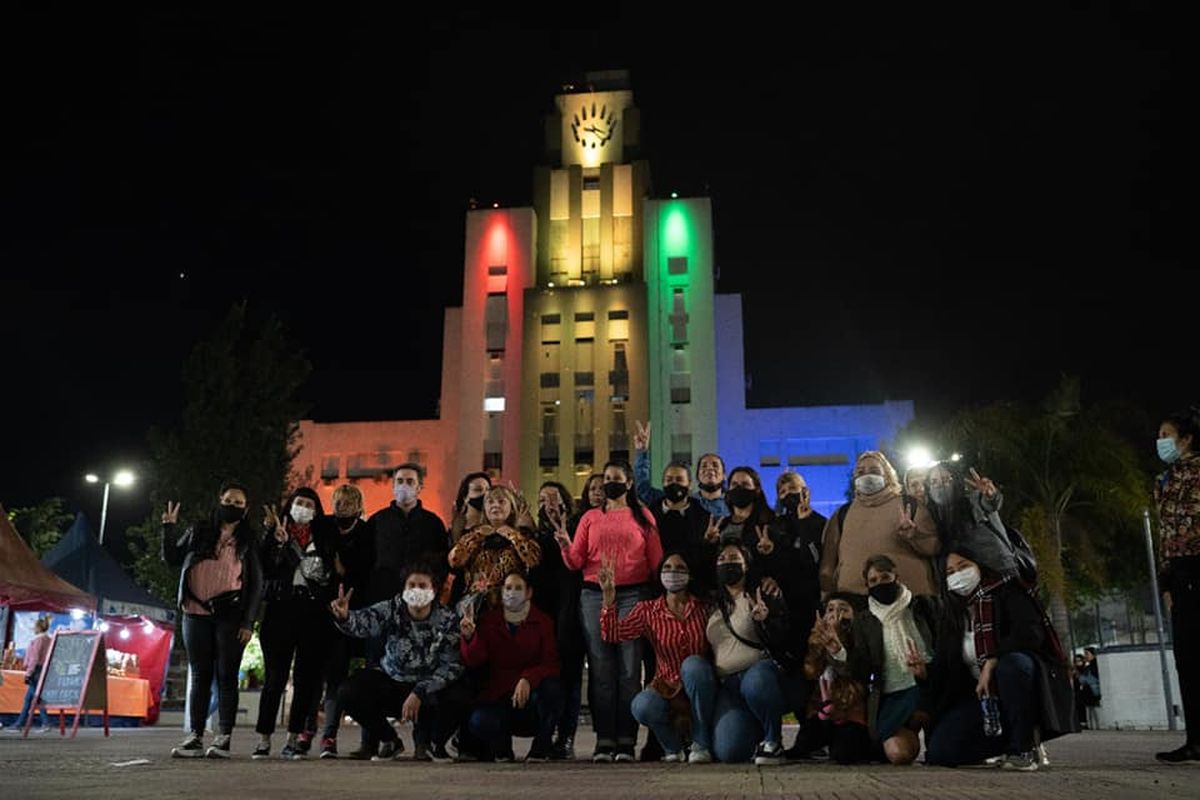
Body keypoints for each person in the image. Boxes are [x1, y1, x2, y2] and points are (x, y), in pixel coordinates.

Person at [925, 534, 1073, 771]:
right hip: (984, 700)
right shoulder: (952, 615)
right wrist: (922, 670)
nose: (958, 575)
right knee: (940, 752)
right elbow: (947, 668)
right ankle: (1004, 740)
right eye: (950, 572)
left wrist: (992, 660)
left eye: (963, 567)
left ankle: (1023, 748)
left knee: (1012, 665)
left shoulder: (1007, 591)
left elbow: (1030, 634)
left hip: (1021, 688)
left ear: (979, 565)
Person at [555, 459, 664, 762]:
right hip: (594, 595)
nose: (609, 484)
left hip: (634, 594)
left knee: (630, 670)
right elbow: (576, 561)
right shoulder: (590, 517)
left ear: (629, 483)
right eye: (606, 479)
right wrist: (565, 543)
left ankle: (627, 740)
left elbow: (657, 562)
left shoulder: (643, 516)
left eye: (617, 478)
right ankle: (605, 739)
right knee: (601, 668)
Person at [162, 482, 264, 758]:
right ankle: (194, 736)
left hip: (230, 616)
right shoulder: (198, 531)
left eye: (238, 503)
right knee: (200, 674)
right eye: (228, 500)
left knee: (227, 676)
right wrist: (169, 529)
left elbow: (256, 585)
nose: (232, 505)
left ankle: (223, 737)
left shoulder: (249, 540)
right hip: (195, 612)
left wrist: (248, 621)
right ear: (219, 500)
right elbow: (172, 558)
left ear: (246, 509)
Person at [329, 560, 467, 761]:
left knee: (460, 696)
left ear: (434, 590)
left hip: (428, 690)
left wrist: (421, 690)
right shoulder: (392, 608)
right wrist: (344, 617)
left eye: (423, 586)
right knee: (348, 692)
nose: (416, 590)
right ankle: (389, 740)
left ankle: (433, 744)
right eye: (411, 585)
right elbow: (363, 623)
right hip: (392, 682)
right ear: (403, 589)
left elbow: (452, 665)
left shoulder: (447, 619)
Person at [682, 543, 789, 765]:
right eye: (721, 558)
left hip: (758, 673)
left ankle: (773, 741)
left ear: (746, 565)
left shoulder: (762, 593)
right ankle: (701, 741)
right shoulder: (711, 601)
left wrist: (766, 620)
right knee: (730, 753)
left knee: (756, 683)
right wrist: (706, 542)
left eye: (734, 558)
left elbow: (782, 636)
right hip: (728, 685)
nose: (727, 562)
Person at [600, 551, 710, 762]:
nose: (673, 573)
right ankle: (673, 748)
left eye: (680, 568)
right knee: (642, 705)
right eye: (667, 568)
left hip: (702, 686)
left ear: (690, 575)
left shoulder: (704, 607)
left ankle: (701, 743)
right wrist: (608, 599)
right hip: (667, 687)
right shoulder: (648, 610)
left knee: (694, 666)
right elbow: (613, 634)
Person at [252, 487, 332, 761]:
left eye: (310, 504)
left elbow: (324, 574)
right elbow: (262, 565)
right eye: (299, 502)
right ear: (290, 505)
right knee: (274, 678)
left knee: (305, 680)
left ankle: (293, 738)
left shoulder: (321, 537)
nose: (304, 507)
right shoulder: (276, 534)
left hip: (312, 613)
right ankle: (263, 739)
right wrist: (272, 539)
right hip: (279, 610)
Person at [458, 571, 562, 762]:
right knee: (479, 720)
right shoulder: (490, 621)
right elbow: (475, 659)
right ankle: (501, 748)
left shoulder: (543, 621)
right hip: (499, 695)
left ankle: (541, 748)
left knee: (553, 690)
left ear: (529, 592)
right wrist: (469, 637)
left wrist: (527, 679)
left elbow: (551, 664)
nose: (512, 593)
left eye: (518, 588)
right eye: (508, 588)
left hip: (532, 697)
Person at [846, 555, 935, 765]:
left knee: (942, 754)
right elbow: (860, 668)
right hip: (892, 694)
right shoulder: (864, 620)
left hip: (930, 686)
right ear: (867, 585)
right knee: (897, 754)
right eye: (873, 581)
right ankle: (912, 727)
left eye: (885, 577)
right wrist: (839, 651)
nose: (880, 584)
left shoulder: (924, 606)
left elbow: (944, 647)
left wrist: (927, 669)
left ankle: (933, 727)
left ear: (897, 577)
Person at [819, 451, 941, 601]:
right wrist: (828, 598)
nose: (867, 475)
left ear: (888, 477)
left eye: (874, 471)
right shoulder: (841, 514)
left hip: (910, 602)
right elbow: (828, 565)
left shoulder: (909, 506)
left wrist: (914, 537)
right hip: (856, 605)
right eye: (860, 472)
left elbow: (933, 547)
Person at [312, 483, 375, 759]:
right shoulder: (323, 526)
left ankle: (366, 738)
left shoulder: (366, 533)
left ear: (359, 508)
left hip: (359, 610)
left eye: (349, 505)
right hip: (326, 611)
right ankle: (326, 736)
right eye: (339, 504)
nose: (343, 509)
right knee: (330, 674)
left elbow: (364, 569)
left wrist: (342, 567)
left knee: (358, 676)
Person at [1154, 407, 1200, 763]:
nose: (1160, 441)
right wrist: (1166, 583)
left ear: (1187, 439)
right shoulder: (1163, 481)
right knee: (1188, 659)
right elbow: (1164, 534)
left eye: (1167, 435)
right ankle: (1195, 739)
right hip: (1181, 575)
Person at [527, 481, 585, 760]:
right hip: (541, 612)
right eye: (542, 498)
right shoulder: (534, 535)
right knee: (547, 676)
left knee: (570, 677)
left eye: (553, 497)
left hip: (570, 612)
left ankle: (566, 736)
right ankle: (545, 734)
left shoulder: (575, 528)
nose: (547, 503)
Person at [791, 594, 876, 763]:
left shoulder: (862, 638)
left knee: (845, 754)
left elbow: (859, 674)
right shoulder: (817, 637)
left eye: (843, 609)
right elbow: (810, 672)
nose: (835, 614)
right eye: (830, 609)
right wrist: (818, 644)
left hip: (851, 711)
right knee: (804, 744)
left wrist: (838, 646)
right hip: (822, 710)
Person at [447, 486, 541, 611]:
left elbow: (533, 560)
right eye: (490, 502)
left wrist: (512, 535)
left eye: (501, 501)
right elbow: (454, 562)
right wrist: (476, 536)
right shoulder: (473, 534)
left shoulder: (523, 534)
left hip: (511, 603)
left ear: (511, 508)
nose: (495, 505)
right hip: (477, 605)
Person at [632, 420, 729, 517]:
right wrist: (642, 452)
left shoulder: (733, 503)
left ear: (725, 475)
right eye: (704, 466)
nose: (710, 469)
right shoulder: (681, 500)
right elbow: (643, 490)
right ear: (697, 477)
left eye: (715, 465)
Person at [14, 617, 51, 732]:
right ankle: (19, 724)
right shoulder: (49, 639)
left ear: (38, 628)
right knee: (29, 699)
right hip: (43, 669)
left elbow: (34, 657)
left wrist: (29, 673)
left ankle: (45, 723)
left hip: (36, 671)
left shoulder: (38, 640)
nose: (33, 629)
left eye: (34, 627)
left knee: (37, 698)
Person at [449, 472, 493, 544]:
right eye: (478, 490)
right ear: (465, 497)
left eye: (488, 490)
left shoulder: (494, 526)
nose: (485, 494)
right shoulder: (454, 529)